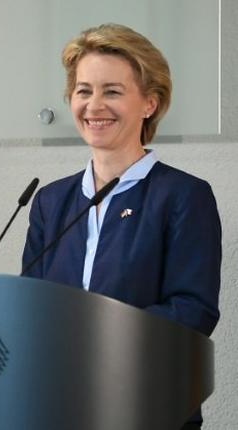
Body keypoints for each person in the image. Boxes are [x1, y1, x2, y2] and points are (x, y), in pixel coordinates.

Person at [21, 24, 220, 429]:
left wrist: (95, 340)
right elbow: (30, 306)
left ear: (150, 102)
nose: (94, 105)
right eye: (83, 90)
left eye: (112, 91)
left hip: (148, 409)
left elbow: (192, 311)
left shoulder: (183, 196)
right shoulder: (49, 201)